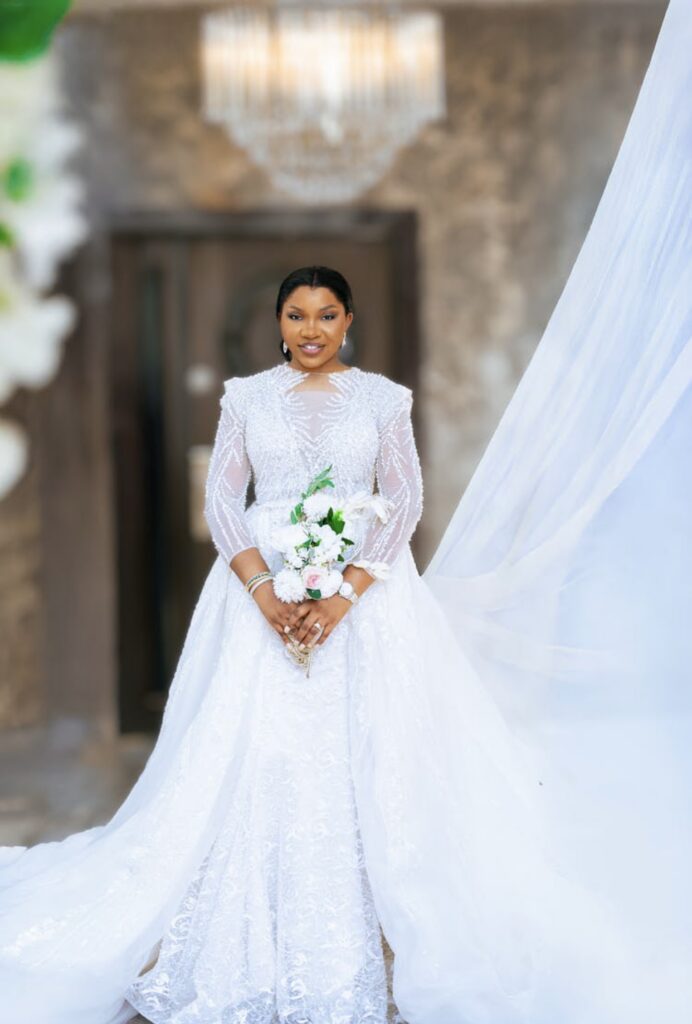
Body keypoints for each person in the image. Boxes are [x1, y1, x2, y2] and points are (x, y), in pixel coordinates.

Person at [1, 0, 691, 1020]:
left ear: (346, 321)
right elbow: (221, 498)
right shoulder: (244, 398)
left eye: (325, 314)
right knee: (252, 761)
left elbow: (403, 496)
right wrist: (270, 594)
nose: (310, 327)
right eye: (294, 314)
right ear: (277, 325)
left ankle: (381, 917)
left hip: (370, 601)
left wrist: (345, 592)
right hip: (254, 599)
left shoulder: (384, 400)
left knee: (379, 763)